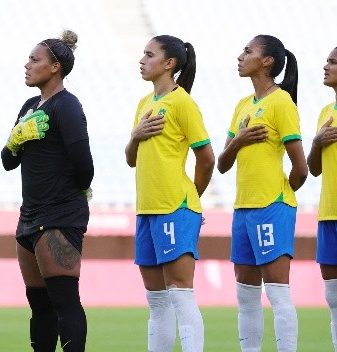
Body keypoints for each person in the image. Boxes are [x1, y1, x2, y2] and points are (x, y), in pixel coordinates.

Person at [1, 30, 94, 352]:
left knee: (64, 300)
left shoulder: (67, 106)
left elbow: (85, 166)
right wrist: (15, 140)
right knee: (39, 304)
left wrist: (73, 194)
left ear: (55, 67)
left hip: (59, 213)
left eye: (34, 59)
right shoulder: (29, 106)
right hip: (29, 215)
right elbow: (7, 162)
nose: (26, 65)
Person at [217, 35, 308, 351]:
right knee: (245, 294)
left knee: (278, 291)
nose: (241, 56)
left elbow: (301, 169)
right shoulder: (243, 106)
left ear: (267, 61)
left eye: (248, 51)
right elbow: (223, 164)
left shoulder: (281, 102)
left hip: (271, 206)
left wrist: (278, 197)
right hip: (243, 208)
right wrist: (238, 141)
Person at [125, 35, 215, 352]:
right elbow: (131, 158)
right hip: (147, 210)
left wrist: (192, 200)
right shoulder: (144, 104)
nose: (142, 60)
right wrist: (135, 136)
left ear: (169, 64)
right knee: (157, 301)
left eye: (149, 55)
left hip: (174, 208)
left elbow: (207, 158)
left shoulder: (182, 103)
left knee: (180, 293)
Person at [307, 32, 337, 351]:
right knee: (335, 297)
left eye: (333, 62)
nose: (326, 66)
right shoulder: (326, 113)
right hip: (329, 214)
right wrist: (317, 142)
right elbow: (315, 168)